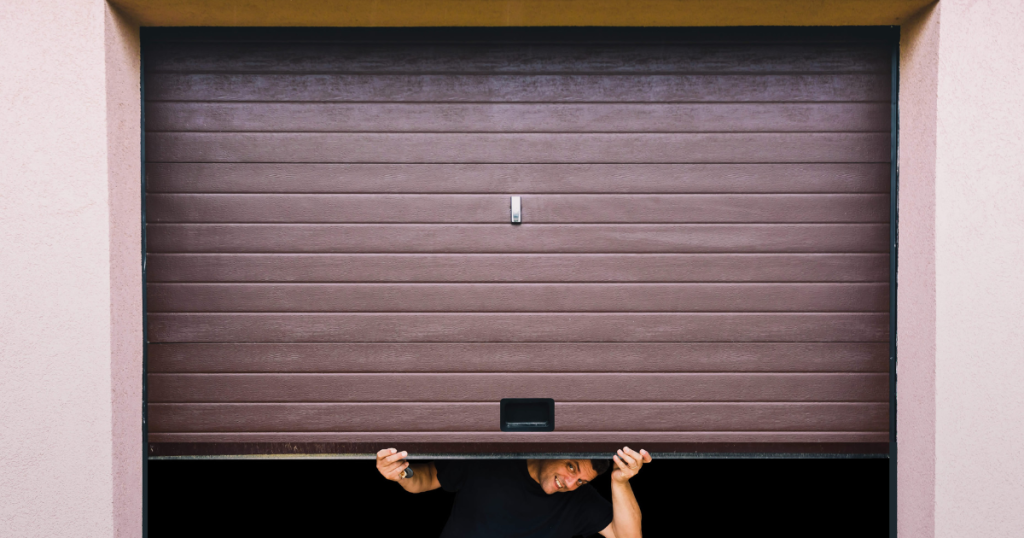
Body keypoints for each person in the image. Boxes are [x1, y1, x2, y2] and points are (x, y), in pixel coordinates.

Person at [376, 446, 652, 538]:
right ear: (555, 449)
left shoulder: (578, 500)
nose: (570, 483)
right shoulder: (492, 458)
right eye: (571, 467)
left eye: (580, 481)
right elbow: (424, 480)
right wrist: (400, 472)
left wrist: (620, 481)